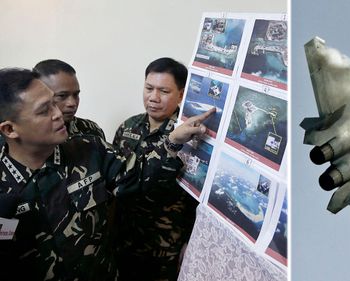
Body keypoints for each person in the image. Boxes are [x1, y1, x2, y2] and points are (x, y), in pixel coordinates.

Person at [0, 68, 212, 280]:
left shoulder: (89, 148)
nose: (58, 113)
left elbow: (137, 176)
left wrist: (172, 141)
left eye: (53, 102)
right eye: (44, 110)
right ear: (10, 129)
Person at [113, 58, 202, 281]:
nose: (153, 98)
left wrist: (189, 243)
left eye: (164, 91)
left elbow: (197, 199)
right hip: (123, 239)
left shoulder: (191, 136)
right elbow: (115, 180)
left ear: (181, 94)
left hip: (164, 246)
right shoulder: (128, 126)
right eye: (149, 88)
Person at [33, 59, 106, 139]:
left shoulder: (90, 130)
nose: (72, 103)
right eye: (62, 96)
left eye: (76, 95)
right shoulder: (28, 134)